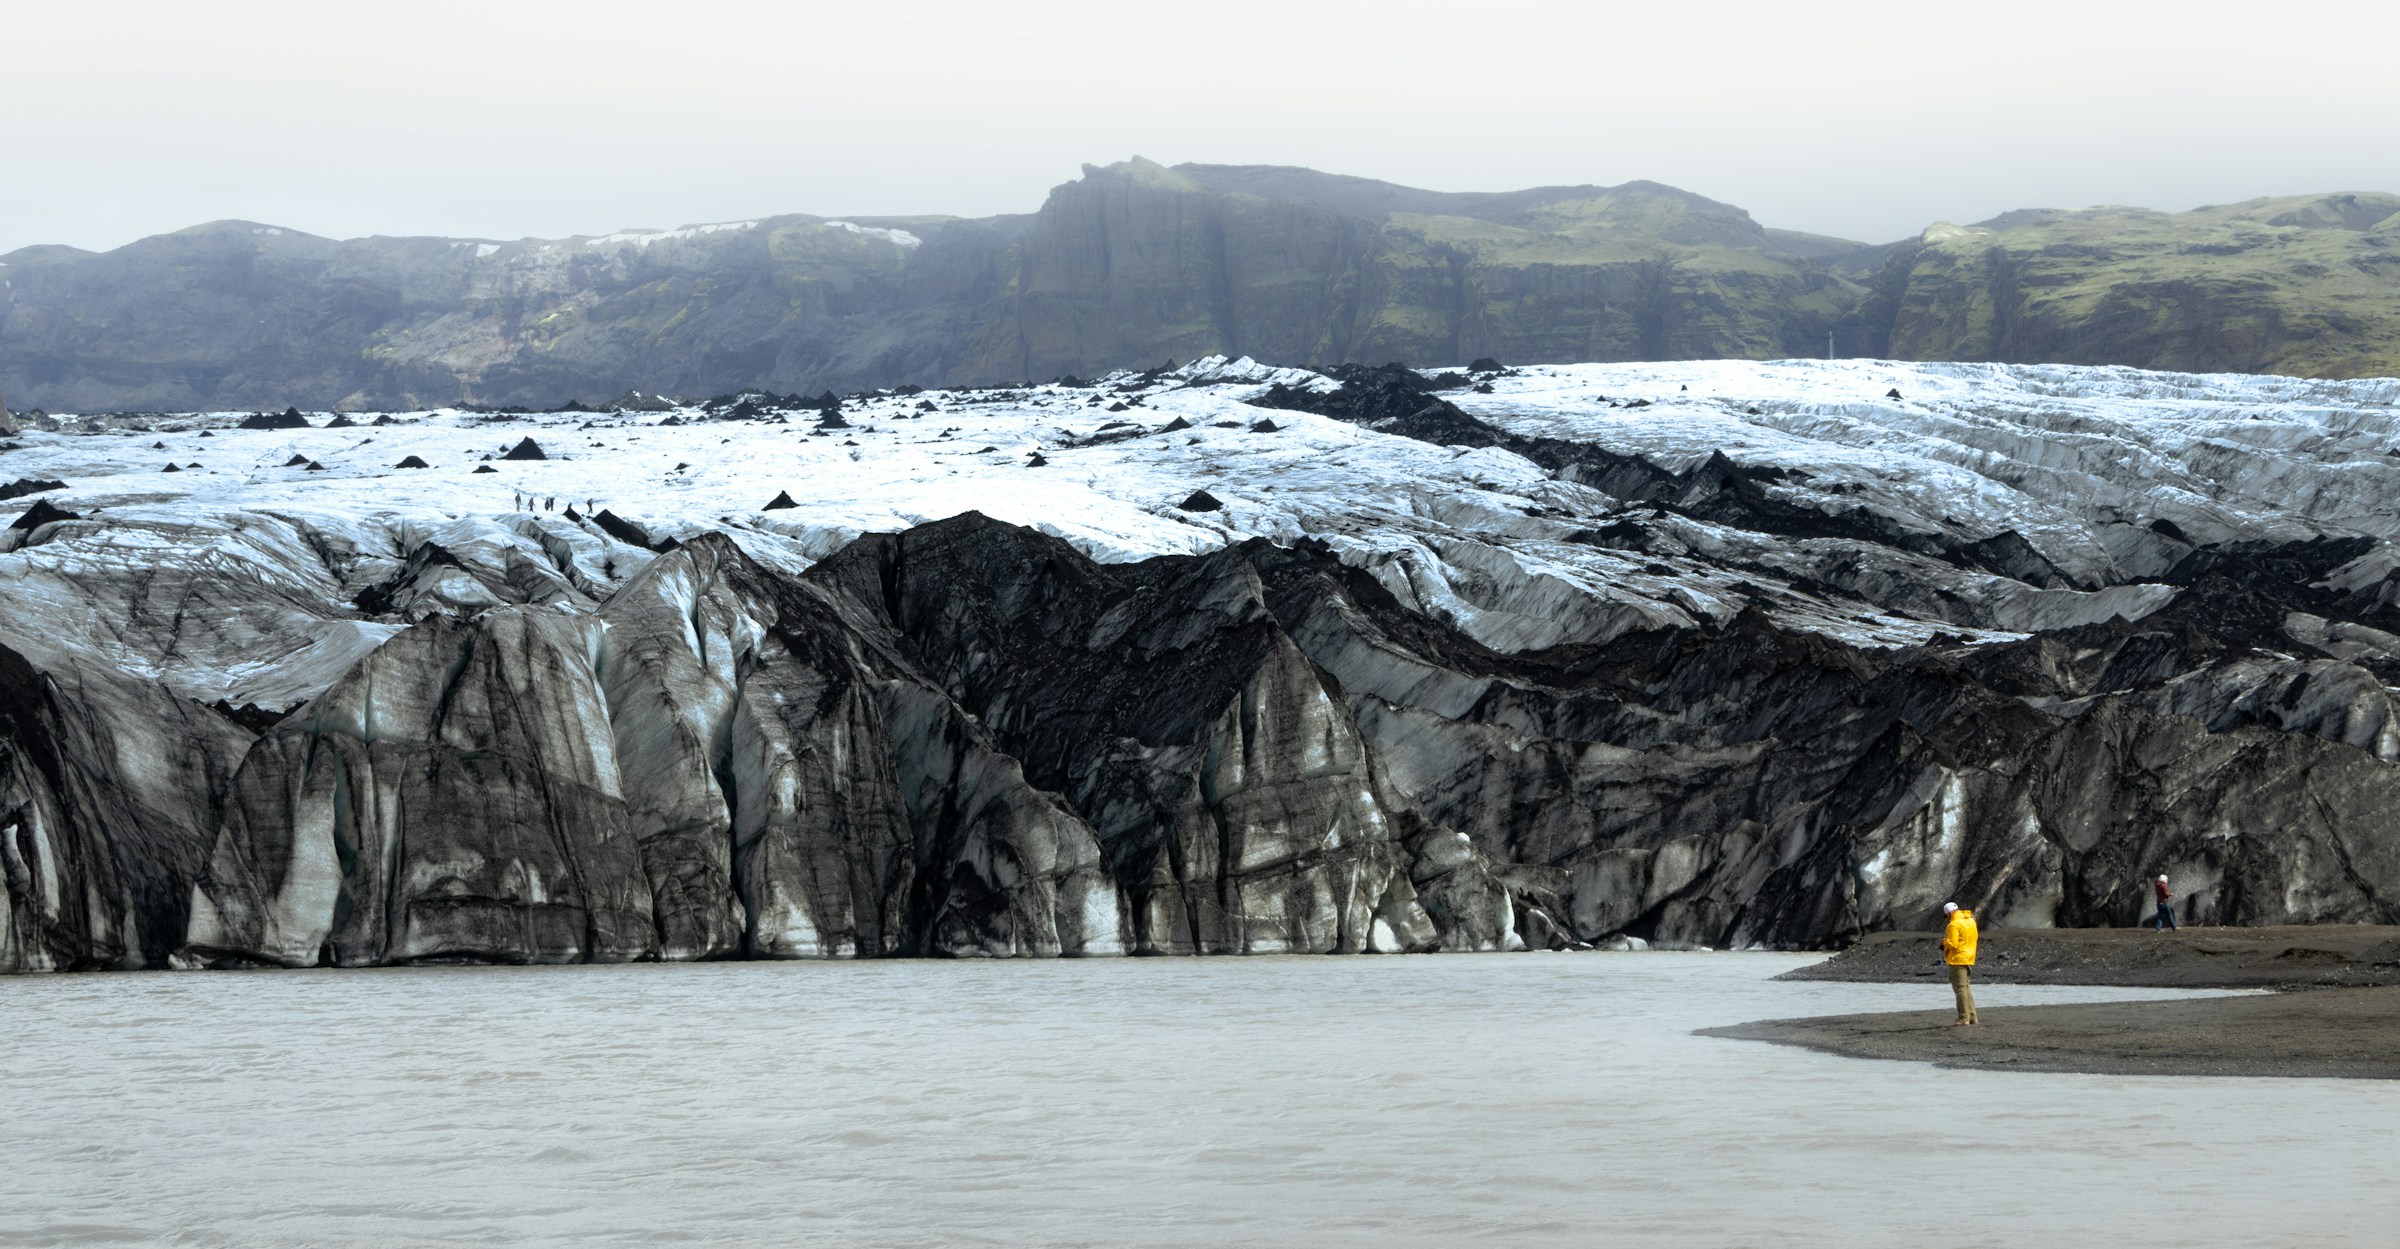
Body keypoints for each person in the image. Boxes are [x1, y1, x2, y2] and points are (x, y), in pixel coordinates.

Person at [1941, 901, 1979, 1026]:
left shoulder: (1953, 925)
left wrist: (1943, 942)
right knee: (1966, 987)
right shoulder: (1971, 921)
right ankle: (1972, 1016)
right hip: (1969, 957)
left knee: (1960, 988)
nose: (1947, 918)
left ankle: (1963, 1018)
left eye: (1947, 916)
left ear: (1950, 913)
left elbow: (1952, 944)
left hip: (1958, 959)